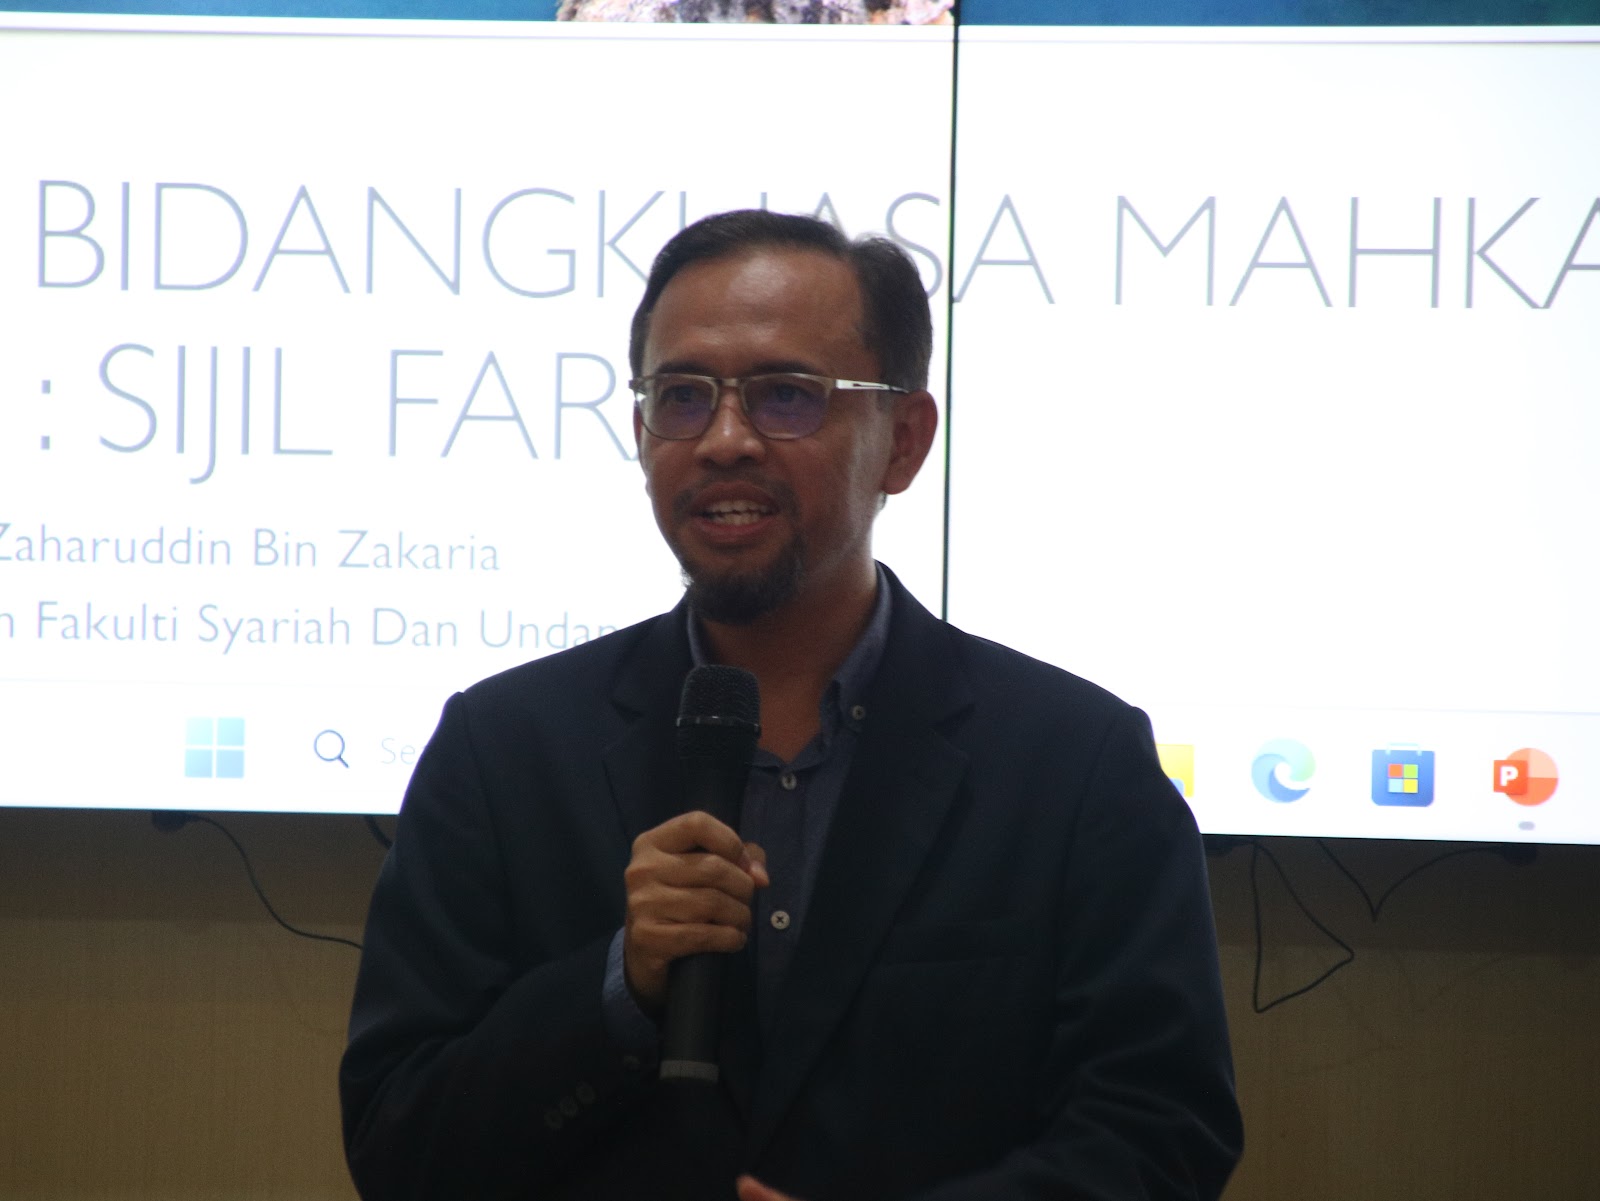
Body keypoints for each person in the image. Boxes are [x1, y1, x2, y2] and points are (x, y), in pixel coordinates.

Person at [340, 210, 1242, 1201]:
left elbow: (1161, 1131)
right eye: (682, 397)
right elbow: (398, 1144)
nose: (724, 440)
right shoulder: (501, 749)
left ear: (904, 441)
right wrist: (619, 984)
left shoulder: (1077, 763)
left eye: (785, 396)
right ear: (641, 433)